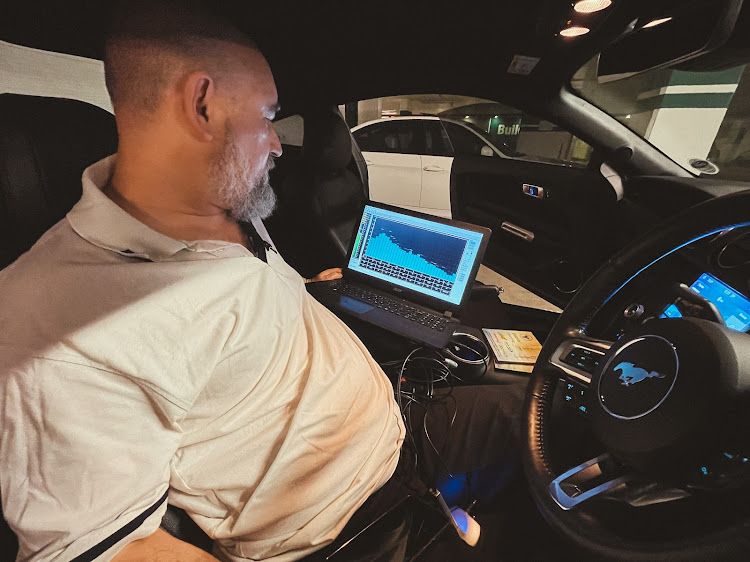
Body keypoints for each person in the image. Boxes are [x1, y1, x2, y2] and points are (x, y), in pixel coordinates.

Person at [0, 3, 526, 561]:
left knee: (555, 402)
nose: (276, 143)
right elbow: (109, 551)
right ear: (201, 104)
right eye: (268, 116)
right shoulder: (48, 332)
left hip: (398, 427)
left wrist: (302, 285)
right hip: (347, 528)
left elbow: (230, 310)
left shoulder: (222, 206)